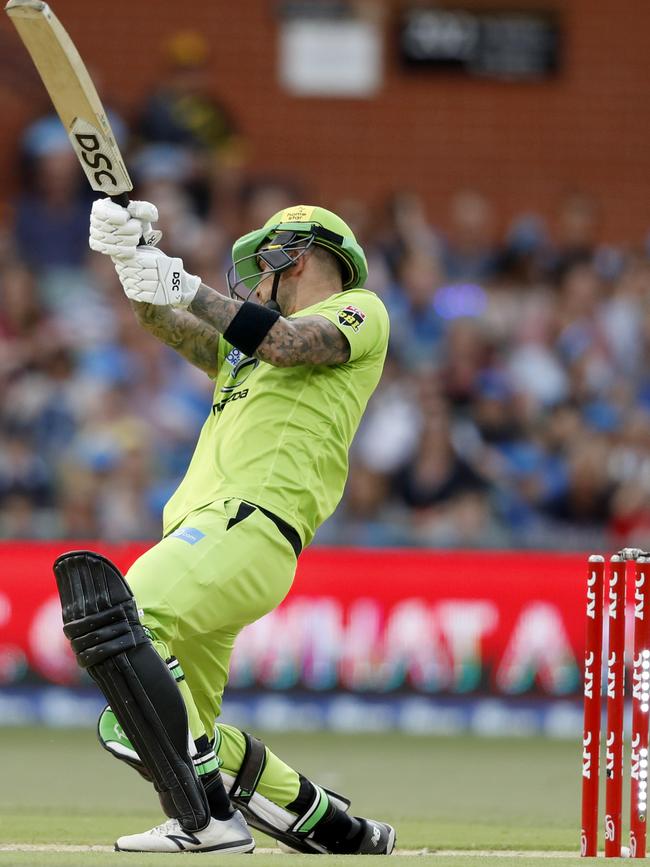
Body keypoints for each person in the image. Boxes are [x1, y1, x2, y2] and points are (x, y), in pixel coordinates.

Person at [52, 199, 392, 855]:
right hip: (209, 533)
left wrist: (183, 280)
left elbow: (286, 343)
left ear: (297, 253)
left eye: (264, 264)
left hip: (249, 523)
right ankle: (334, 827)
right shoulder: (246, 351)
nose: (255, 280)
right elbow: (167, 322)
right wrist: (132, 263)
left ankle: (206, 818)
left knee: (120, 618)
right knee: (168, 722)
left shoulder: (359, 310)